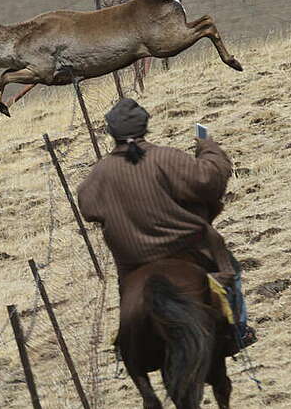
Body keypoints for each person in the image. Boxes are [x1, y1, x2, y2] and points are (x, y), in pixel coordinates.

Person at [76, 97, 255, 357]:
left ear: (111, 133)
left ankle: (127, 340)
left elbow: (88, 209)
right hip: (185, 246)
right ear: (145, 126)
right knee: (231, 270)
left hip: (133, 259)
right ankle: (238, 330)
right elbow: (209, 180)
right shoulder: (165, 157)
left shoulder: (99, 174)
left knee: (129, 288)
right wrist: (208, 148)